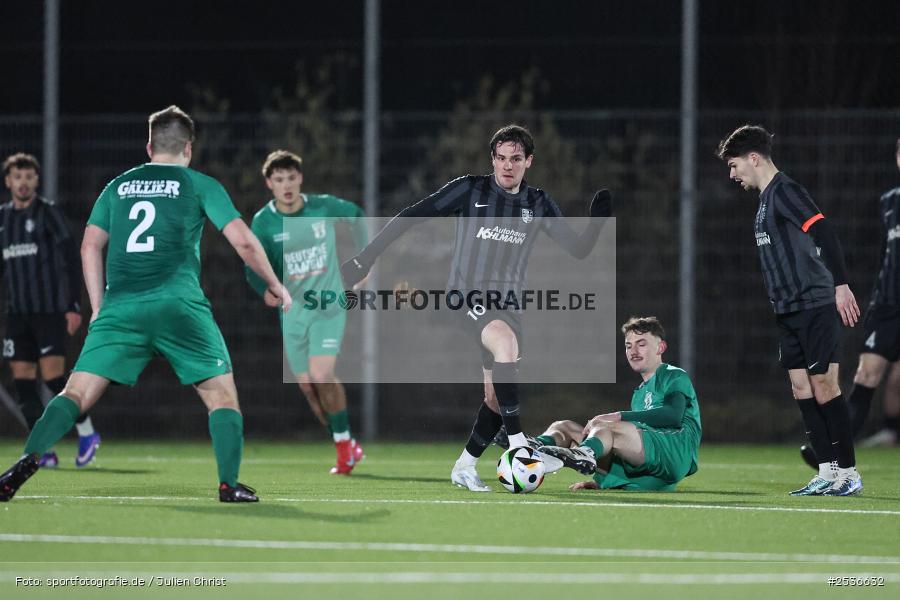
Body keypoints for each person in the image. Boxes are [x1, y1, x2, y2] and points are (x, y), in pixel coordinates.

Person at [0, 106, 291, 503]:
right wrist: (275, 284)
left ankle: (25, 463)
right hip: (179, 306)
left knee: (75, 393)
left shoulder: (117, 186)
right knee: (221, 397)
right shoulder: (198, 183)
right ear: (188, 147)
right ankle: (228, 484)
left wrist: (99, 307)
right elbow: (241, 241)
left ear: (150, 145)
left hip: (120, 307)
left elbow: (90, 246)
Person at [341, 124, 611, 492]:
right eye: (501, 158)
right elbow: (413, 214)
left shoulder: (539, 203)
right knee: (504, 344)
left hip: (508, 304)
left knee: (495, 398)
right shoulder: (471, 189)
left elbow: (577, 249)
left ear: (528, 162)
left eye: (516, 159)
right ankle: (518, 445)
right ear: (493, 160)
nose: (507, 166)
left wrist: (596, 225)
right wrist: (366, 258)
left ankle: (464, 466)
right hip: (465, 297)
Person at [717, 124, 862, 496]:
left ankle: (849, 473)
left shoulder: (786, 192)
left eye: (734, 166)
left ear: (753, 158)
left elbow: (823, 232)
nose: (732, 175)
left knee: (825, 386)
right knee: (801, 388)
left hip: (815, 303)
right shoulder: (764, 202)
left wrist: (841, 286)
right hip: (787, 310)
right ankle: (828, 471)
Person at [246, 150, 367, 474]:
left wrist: (364, 262)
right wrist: (266, 291)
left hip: (328, 305)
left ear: (300, 178)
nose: (286, 185)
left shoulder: (322, 207)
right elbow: (252, 267)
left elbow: (357, 215)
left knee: (322, 375)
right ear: (270, 183)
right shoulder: (264, 222)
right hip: (293, 313)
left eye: (291, 178)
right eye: (279, 179)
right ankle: (345, 442)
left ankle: (344, 451)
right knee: (309, 389)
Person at [802, 138, 900, 459]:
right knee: (865, 375)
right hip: (888, 307)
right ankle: (831, 455)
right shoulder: (889, 202)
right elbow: (887, 256)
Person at [1, 152, 100, 468]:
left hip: (49, 311)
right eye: (18, 177)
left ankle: (87, 433)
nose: (23, 182)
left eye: (29, 177)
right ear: (8, 182)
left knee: (55, 377)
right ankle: (41, 450)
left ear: (36, 181)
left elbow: (71, 259)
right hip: (17, 314)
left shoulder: (48, 213)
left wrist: (73, 305)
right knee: (23, 381)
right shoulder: (2, 219)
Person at [536, 317, 701, 491]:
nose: (633, 351)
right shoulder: (639, 394)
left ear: (661, 347)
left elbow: (672, 416)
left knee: (607, 427)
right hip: (651, 469)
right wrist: (601, 482)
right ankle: (531, 450)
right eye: (628, 346)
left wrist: (618, 416)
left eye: (641, 344)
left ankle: (585, 454)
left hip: (675, 452)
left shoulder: (674, 375)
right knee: (564, 426)